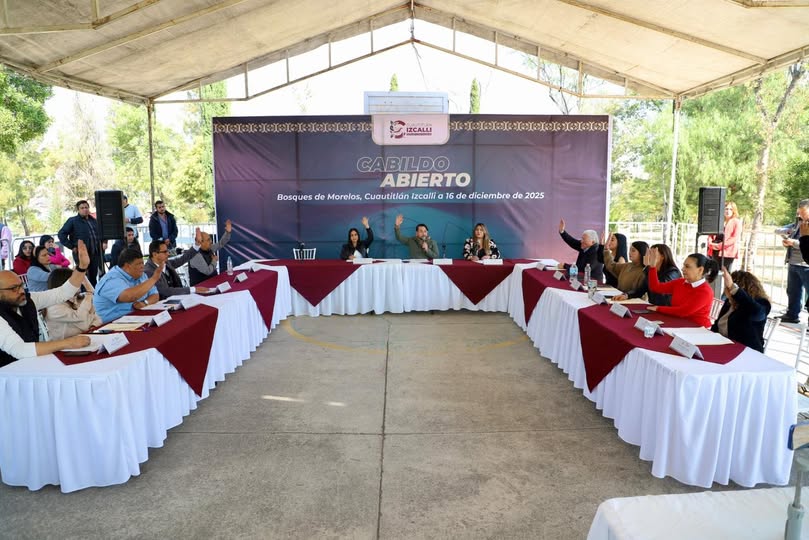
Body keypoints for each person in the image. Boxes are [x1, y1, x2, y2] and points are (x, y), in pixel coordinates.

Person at [0, 240, 93, 367]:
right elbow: (20, 350)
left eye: (21, 286)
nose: (21, 291)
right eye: (13, 288)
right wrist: (68, 343)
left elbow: (63, 293)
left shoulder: (28, 299)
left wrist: (82, 267)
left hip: (31, 365)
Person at [646, 250, 718, 327]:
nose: (682, 269)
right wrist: (652, 267)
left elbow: (683, 311)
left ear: (700, 270)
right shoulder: (680, 282)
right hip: (678, 324)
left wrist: (658, 308)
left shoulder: (705, 291)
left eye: (687, 266)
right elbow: (655, 287)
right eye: (684, 266)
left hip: (698, 329)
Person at [710, 267, 771, 353]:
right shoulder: (729, 302)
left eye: (727, 287)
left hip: (746, 352)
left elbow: (757, 313)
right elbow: (717, 325)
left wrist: (733, 287)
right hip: (723, 347)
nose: (725, 290)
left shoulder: (761, 303)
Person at [93, 248, 162, 323]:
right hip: (112, 324)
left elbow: (155, 295)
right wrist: (153, 279)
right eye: (138, 264)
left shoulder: (141, 275)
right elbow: (130, 297)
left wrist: (145, 303)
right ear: (127, 266)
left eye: (142, 263)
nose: (142, 266)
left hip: (136, 319)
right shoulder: (111, 279)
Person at [144, 232, 212, 298]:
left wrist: (197, 245)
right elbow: (165, 291)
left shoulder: (166, 263)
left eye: (167, 251)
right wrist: (193, 289)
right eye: (165, 252)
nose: (168, 254)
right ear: (155, 254)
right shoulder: (148, 271)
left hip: (179, 298)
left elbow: (183, 259)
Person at [43, 268, 102, 340]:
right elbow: (81, 319)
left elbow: (97, 318)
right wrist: (89, 292)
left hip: (85, 338)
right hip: (65, 344)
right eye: (75, 281)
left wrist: (93, 327)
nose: (79, 284)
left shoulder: (76, 298)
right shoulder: (53, 307)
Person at [775, 199, 809, 324]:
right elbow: (778, 230)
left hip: (805, 264)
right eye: (800, 212)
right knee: (793, 291)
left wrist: (793, 242)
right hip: (793, 262)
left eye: (804, 212)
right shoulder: (798, 222)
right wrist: (788, 235)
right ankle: (792, 314)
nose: (801, 216)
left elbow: (805, 243)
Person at [58, 200, 103, 286]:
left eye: (86, 207)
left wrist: (103, 243)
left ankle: (93, 293)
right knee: (83, 277)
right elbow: (61, 234)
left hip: (95, 253)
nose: (85, 209)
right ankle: (84, 293)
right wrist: (72, 246)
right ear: (78, 210)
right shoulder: (73, 221)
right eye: (82, 208)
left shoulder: (93, 221)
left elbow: (100, 233)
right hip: (81, 254)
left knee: (93, 276)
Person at [188, 220, 232, 286]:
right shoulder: (195, 255)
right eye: (208, 240)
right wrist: (214, 261)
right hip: (201, 287)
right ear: (201, 242)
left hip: (213, 281)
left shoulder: (208, 248)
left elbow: (221, 244)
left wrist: (228, 232)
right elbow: (208, 271)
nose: (211, 241)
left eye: (210, 239)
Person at [708, 201, 743, 271]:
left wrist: (719, 246)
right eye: (726, 209)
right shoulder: (719, 221)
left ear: (734, 211)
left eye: (730, 209)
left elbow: (734, 238)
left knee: (725, 273)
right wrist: (710, 243)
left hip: (727, 252)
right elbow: (711, 234)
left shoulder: (736, 222)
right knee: (714, 272)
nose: (728, 211)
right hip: (714, 251)